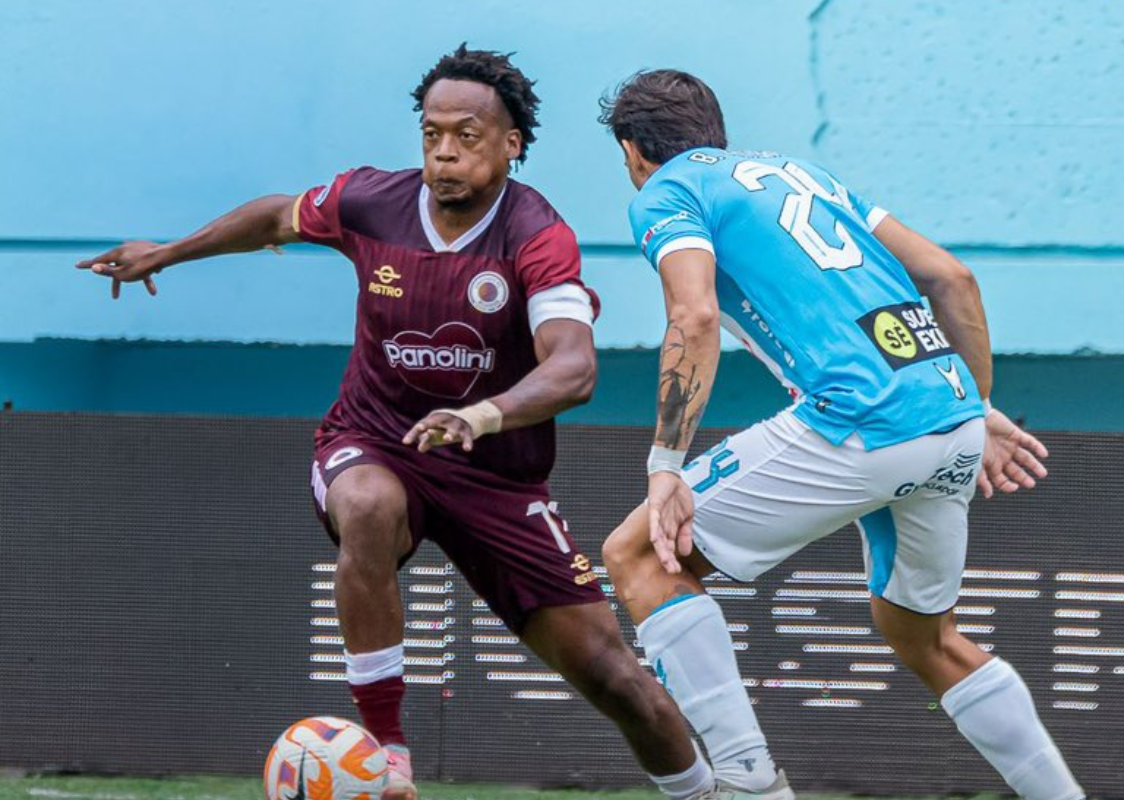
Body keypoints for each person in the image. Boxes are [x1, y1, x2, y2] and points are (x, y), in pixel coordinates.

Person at [76, 47, 715, 800]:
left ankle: (706, 793)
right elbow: (275, 215)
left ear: (511, 144)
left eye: (467, 136)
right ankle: (386, 747)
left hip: (497, 480)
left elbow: (573, 367)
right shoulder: (370, 201)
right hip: (374, 442)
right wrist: (168, 253)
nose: (445, 152)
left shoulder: (537, 235)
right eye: (431, 134)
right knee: (368, 503)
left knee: (617, 679)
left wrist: (481, 415)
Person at [597, 69, 1084, 800]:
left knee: (638, 553)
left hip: (860, 419)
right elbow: (952, 277)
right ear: (715, 132)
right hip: (949, 415)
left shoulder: (667, 190)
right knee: (927, 637)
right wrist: (978, 406)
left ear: (633, 151)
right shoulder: (806, 175)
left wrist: (666, 462)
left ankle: (748, 783)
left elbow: (693, 316)